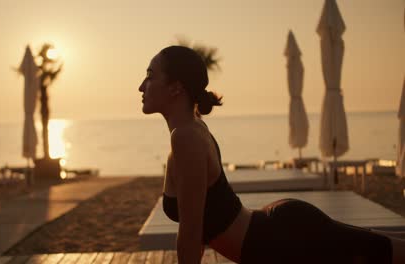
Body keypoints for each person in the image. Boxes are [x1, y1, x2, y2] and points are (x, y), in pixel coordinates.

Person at [138, 45, 405, 264]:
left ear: (176, 87)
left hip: (278, 240)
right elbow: (198, 230)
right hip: (274, 234)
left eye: (150, 76)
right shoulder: (191, 130)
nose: (142, 86)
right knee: (378, 249)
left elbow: (191, 231)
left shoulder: (185, 137)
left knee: (381, 251)